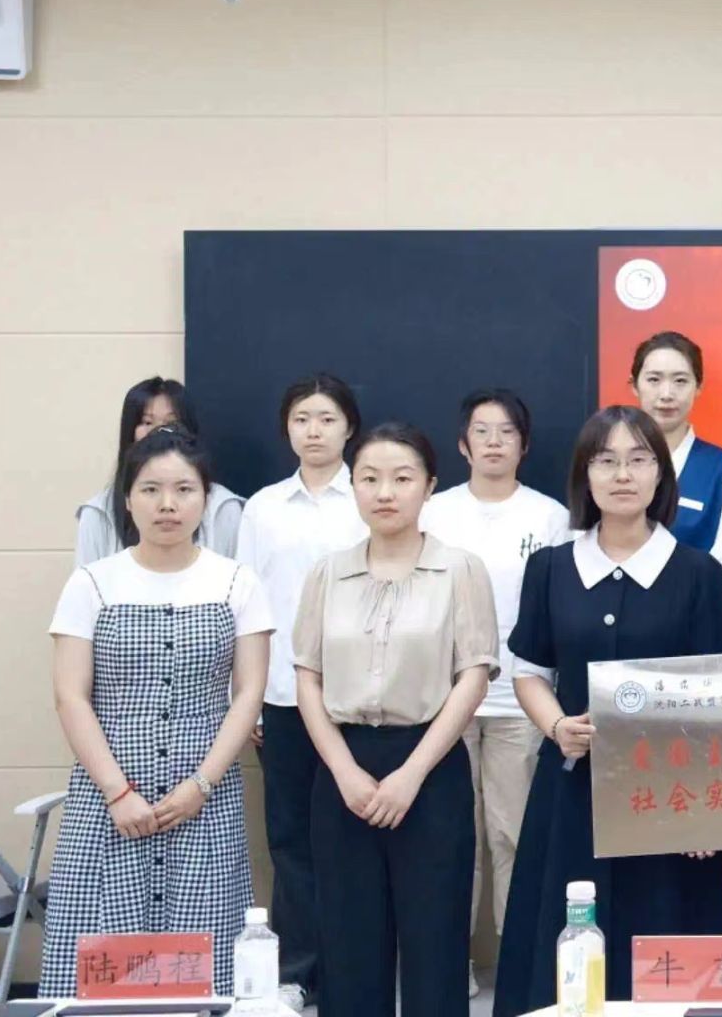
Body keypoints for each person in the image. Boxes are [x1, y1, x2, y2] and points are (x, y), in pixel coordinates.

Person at [493, 406, 722, 1016]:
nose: (622, 475)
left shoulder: (698, 573)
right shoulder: (550, 567)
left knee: (669, 944)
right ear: (585, 475)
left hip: (672, 798)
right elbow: (529, 672)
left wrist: (704, 811)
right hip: (573, 789)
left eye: (638, 460)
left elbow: (718, 699)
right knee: (567, 943)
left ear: (660, 475)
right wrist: (556, 726)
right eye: (606, 461)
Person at [41, 429, 271, 998]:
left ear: (205, 498)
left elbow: (248, 693)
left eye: (184, 490)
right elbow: (71, 696)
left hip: (204, 796)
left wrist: (201, 785)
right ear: (127, 498)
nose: (168, 504)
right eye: (150, 489)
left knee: (200, 959)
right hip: (109, 796)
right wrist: (118, 792)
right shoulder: (92, 583)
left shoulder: (237, 581)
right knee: (104, 968)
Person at [293, 423, 496, 1017]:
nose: (385, 492)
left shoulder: (460, 569)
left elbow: (473, 676)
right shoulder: (327, 573)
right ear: (353, 486)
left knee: (436, 939)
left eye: (402, 478)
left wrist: (411, 775)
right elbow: (307, 678)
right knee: (350, 942)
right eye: (369, 478)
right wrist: (344, 772)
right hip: (344, 771)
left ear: (429, 486)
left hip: (430, 767)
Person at [418, 388, 570, 995]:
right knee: (452, 841)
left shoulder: (549, 516)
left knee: (513, 835)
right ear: (463, 444)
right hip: (443, 703)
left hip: (521, 703)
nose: (494, 442)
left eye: (507, 432)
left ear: (524, 445)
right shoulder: (434, 512)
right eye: (482, 431)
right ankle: (447, 965)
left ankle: (515, 966)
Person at [233, 372, 368, 1013]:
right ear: (287, 428)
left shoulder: (369, 495)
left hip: (360, 699)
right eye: (301, 419)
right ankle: (297, 973)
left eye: (327, 419)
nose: (314, 431)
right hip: (283, 697)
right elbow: (246, 607)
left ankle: (358, 969)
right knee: (290, 839)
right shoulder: (262, 509)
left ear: (349, 427)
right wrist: (248, 695)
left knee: (356, 837)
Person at [76, 377, 243, 565]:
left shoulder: (224, 508)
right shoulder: (98, 513)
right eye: (147, 422)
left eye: (171, 423)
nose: (159, 431)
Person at [633, 330, 722, 594]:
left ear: (699, 387)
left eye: (680, 381)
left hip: (694, 611)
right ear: (634, 385)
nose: (666, 394)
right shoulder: (609, 460)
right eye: (654, 379)